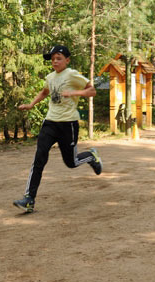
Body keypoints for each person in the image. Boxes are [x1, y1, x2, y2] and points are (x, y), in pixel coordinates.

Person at [13, 45, 102, 213]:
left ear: (67, 60)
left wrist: (74, 93)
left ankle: (91, 156)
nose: (55, 61)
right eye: (53, 58)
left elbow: (92, 91)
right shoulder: (50, 77)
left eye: (59, 58)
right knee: (39, 158)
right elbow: (45, 92)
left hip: (68, 124)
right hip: (50, 122)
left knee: (71, 162)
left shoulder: (72, 75)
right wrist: (31, 104)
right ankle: (29, 199)